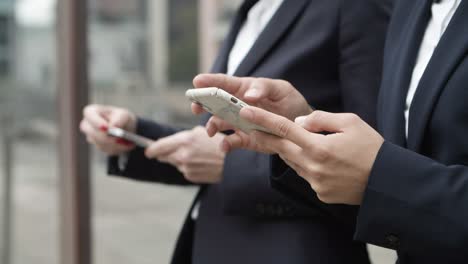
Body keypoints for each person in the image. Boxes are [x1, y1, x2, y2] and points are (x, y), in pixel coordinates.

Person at [80, 0, 392, 263]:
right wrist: (130, 133)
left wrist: (229, 167)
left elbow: (374, 162)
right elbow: (220, 141)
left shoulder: (356, 6)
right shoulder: (250, 11)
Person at [196, 0, 468, 262]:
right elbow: (395, 154)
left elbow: (380, 160)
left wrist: (379, 177)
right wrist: (305, 127)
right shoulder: (410, 7)